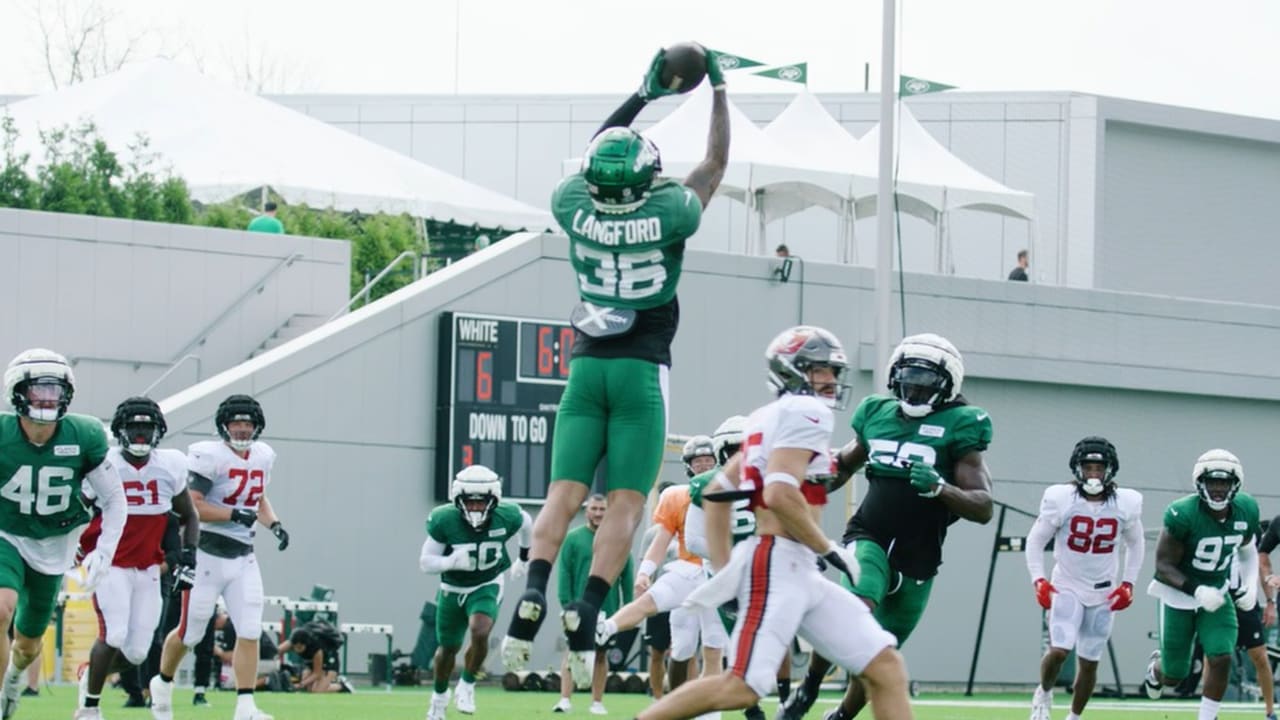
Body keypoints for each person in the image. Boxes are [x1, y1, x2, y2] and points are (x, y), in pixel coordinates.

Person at [502, 43, 729, 688]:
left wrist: (644, 94)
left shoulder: (572, 203)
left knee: (562, 497)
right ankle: (589, 606)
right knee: (626, 503)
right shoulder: (669, 211)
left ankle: (537, 587)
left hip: (585, 367)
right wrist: (717, 91)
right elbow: (714, 164)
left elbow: (599, 147)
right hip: (640, 368)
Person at [639, 326, 912, 720]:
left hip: (795, 568)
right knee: (741, 686)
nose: (832, 380)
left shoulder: (766, 418)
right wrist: (827, 547)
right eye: (822, 370)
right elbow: (781, 494)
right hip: (780, 563)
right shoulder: (808, 412)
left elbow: (716, 494)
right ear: (793, 371)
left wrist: (725, 569)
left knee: (886, 666)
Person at [781, 333, 993, 720]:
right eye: (908, 377)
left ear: (947, 385)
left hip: (920, 555)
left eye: (925, 380)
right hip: (870, 533)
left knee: (879, 649)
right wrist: (805, 478)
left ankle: (842, 715)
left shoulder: (961, 424)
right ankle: (810, 684)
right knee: (854, 610)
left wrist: (940, 487)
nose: (914, 387)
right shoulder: (877, 414)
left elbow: (983, 507)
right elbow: (845, 464)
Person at [0, 349, 126, 719]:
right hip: (6, 533)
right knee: (1, 607)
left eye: (54, 390)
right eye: (38, 390)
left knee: (28, 644)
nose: (47, 398)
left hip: (55, 544)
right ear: (17, 392)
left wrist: (104, 551)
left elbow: (114, 498)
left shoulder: (84, 434)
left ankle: (12, 681)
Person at [150, 394, 289, 720]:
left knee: (251, 628)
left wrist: (275, 524)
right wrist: (233, 515)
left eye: (247, 423)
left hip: (243, 556)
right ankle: (162, 682)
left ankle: (245, 706)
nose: (242, 429)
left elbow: (257, 497)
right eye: (236, 423)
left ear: (257, 426)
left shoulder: (263, 456)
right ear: (223, 426)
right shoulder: (209, 456)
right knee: (190, 632)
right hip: (207, 555)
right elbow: (193, 504)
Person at [75, 397, 200, 720]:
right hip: (111, 563)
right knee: (114, 634)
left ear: (159, 431)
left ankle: (89, 674)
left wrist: (189, 558)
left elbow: (189, 515)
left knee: (137, 652)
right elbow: (77, 508)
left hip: (148, 568)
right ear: (121, 431)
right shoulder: (106, 464)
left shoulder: (170, 464)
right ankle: (89, 707)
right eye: (135, 428)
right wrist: (74, 547)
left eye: (147, 428)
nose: (141, 434)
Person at [596, 437, 728, 701]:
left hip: (718, 575)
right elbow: (661, 538)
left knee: (714, 649)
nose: (703, 465)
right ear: (688, 466)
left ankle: (708, 717)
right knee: (680, 649)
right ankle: (607, 627)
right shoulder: (676, 495)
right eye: (697, 461)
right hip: (687, 570)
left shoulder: (731, 493)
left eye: (708, 460)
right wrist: (645, 571)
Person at [1024, 436, 1144, 720]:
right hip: (1067, 585)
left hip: (1103, 591)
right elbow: (1035, 540)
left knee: (1089, 663)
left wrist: (1128, 583)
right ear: (1077, 469)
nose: (1093, 474)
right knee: (1059, 650)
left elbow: (1136, 544)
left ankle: (1074, 716)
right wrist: (1038, 579)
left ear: (1110, 470)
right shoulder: (1061, 499)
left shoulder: (1127, 502)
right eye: (1088, 467)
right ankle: (1044, 691)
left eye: (1098, 468)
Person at [1142, 449, 1260, 720]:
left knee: (1221, 657)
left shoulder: (1246, 508)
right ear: (1200, 483)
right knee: (1175, 676)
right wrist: (1196, 590)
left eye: (1224, 483)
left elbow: (1247, 549)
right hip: (1177, 596)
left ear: (1235, 484)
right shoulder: (1182, 513)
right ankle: (1156, 670)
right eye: (1212, 482)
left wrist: (1251, 586)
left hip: (1218, 594)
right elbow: (1162, 566)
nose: (1218, 489)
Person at [418, 464, 532, 720]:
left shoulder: (507, 515)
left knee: (480, 630)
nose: (475, 508)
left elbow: (527, 523)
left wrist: (524, 558)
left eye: (481, 503)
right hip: (452, 588)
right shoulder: (444, 519)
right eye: (469, 502)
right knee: (448, 648)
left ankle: (467, 684)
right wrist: (450, 562)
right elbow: (425, 562)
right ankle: (438, 698)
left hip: (487, 583)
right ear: (458, 499)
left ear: (494, 500)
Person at [553, 494, 633, 715]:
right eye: (594, 509)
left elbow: (627, 578)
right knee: (572, 652)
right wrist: (567, 604)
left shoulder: (620, 539)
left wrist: (628, 610)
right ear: (586, 511)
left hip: (608, 608)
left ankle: (597, 702)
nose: (598, 513)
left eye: (602, 509)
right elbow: (564, 573)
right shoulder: (573, 538)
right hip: (578, 608)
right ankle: (565, 700)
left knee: (600, 654)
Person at [1226, 525, 1276, 720]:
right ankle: (1209, 712)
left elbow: (1259, 563)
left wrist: (1270, 602)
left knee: (1259, 656)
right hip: (1219, 598)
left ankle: (1270, 711)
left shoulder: (1251, 529)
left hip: (1245, 600)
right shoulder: (1209, 524)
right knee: (1213, 657)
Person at [276, 621, 349, 693]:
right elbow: (275, 653)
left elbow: (317, 673)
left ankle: (342, 685)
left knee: (316, 691)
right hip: (311, 661)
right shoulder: (291, 643)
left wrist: (301, 684)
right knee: (307, 689)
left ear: (306, 644)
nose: (297, 650)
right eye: (295, 647)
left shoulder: (316, 648)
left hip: (329, 662)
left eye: (300, 647)